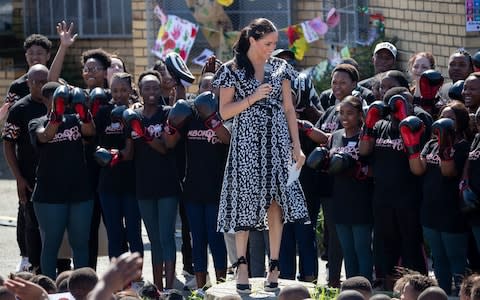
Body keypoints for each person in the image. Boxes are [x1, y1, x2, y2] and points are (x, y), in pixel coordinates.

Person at [212, 18, 309, 294]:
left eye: (275, 43)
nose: (272, 48)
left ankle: (274, 265)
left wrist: (296, 145)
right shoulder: (231, 70)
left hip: (277, 140)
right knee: (245, 200)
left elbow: (289, 109)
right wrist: (253, 97)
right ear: (252, 40)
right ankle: (241, 264)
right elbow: (224, 112)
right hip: (246, 142)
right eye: (268, 43)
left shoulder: (281, 67)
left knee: (276, 202)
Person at [359, 93, 428, 290]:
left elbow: (418, 166)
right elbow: (364, 151)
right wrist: (369, 125)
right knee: (384, 243)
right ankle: (389, 288)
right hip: (382, 196)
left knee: (410, 243)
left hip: (408, 196)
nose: (398, 106)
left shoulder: (418, 124)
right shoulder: (380, 125)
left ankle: (416, 289)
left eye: (403, 101)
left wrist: (407, 125)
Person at [29, 85, 95, 279]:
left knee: (80, 243)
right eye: (54, 99)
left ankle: (83, 287)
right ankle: (49, 290)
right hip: (49, 194)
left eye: (60, 100)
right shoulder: (36, 122)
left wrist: (84, 113)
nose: (59, 103)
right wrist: (56, 115)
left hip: (80, 192)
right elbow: (45, 135)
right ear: (45, 100)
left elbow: (90, 133)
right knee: (51, 243)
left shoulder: (75, 120)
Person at [123, 71, 181, 292]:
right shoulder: (132, 116)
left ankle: (169, 288)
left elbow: (166, 147)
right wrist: (111, 155)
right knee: (154, 239)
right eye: (147, 88)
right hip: (143, 186)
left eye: (155, 88)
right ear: (139, 90)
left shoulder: (168, 114)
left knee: (166, 237)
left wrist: (144, 133)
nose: (152, 92)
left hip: (167, 185)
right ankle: (157, 289)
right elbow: (128, 153)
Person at [407, 101, 471, 294]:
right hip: (430, 209)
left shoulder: (463, 147)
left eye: (450, 118)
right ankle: (441, 294)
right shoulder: (431, 144)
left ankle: (461, 295)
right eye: (442, 116)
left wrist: (446, 147)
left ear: (460, 122)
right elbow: (418, 169)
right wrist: (412, 145)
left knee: (456, 259)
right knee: (438, 258)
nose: (445, 121)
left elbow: (448, 172)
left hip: (452, 211)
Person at [2, 34, 52, 273]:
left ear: (48, 56)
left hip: (52, 164)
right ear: (26, 56)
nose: (35, 56)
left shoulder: (56, 86)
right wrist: (18, 176)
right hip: (26, 163)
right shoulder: (18, 88)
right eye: (31, 53)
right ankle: (26, 257)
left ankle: (54, 262)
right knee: (26, 212)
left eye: (40, 53)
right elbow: (9, 129)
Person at [93, 72, 143, 261]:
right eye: (115, 90)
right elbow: (94, 143)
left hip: (132, 183)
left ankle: (137, 278)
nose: (119, 94)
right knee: (114, 234)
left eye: (123, 90)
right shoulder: (104, 113)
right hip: (108, 183)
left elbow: (130, 154)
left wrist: (118, 153)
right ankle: (118, 281)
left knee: (134, 234)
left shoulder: (137, 112)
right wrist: (101, 153)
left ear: (131, 90)